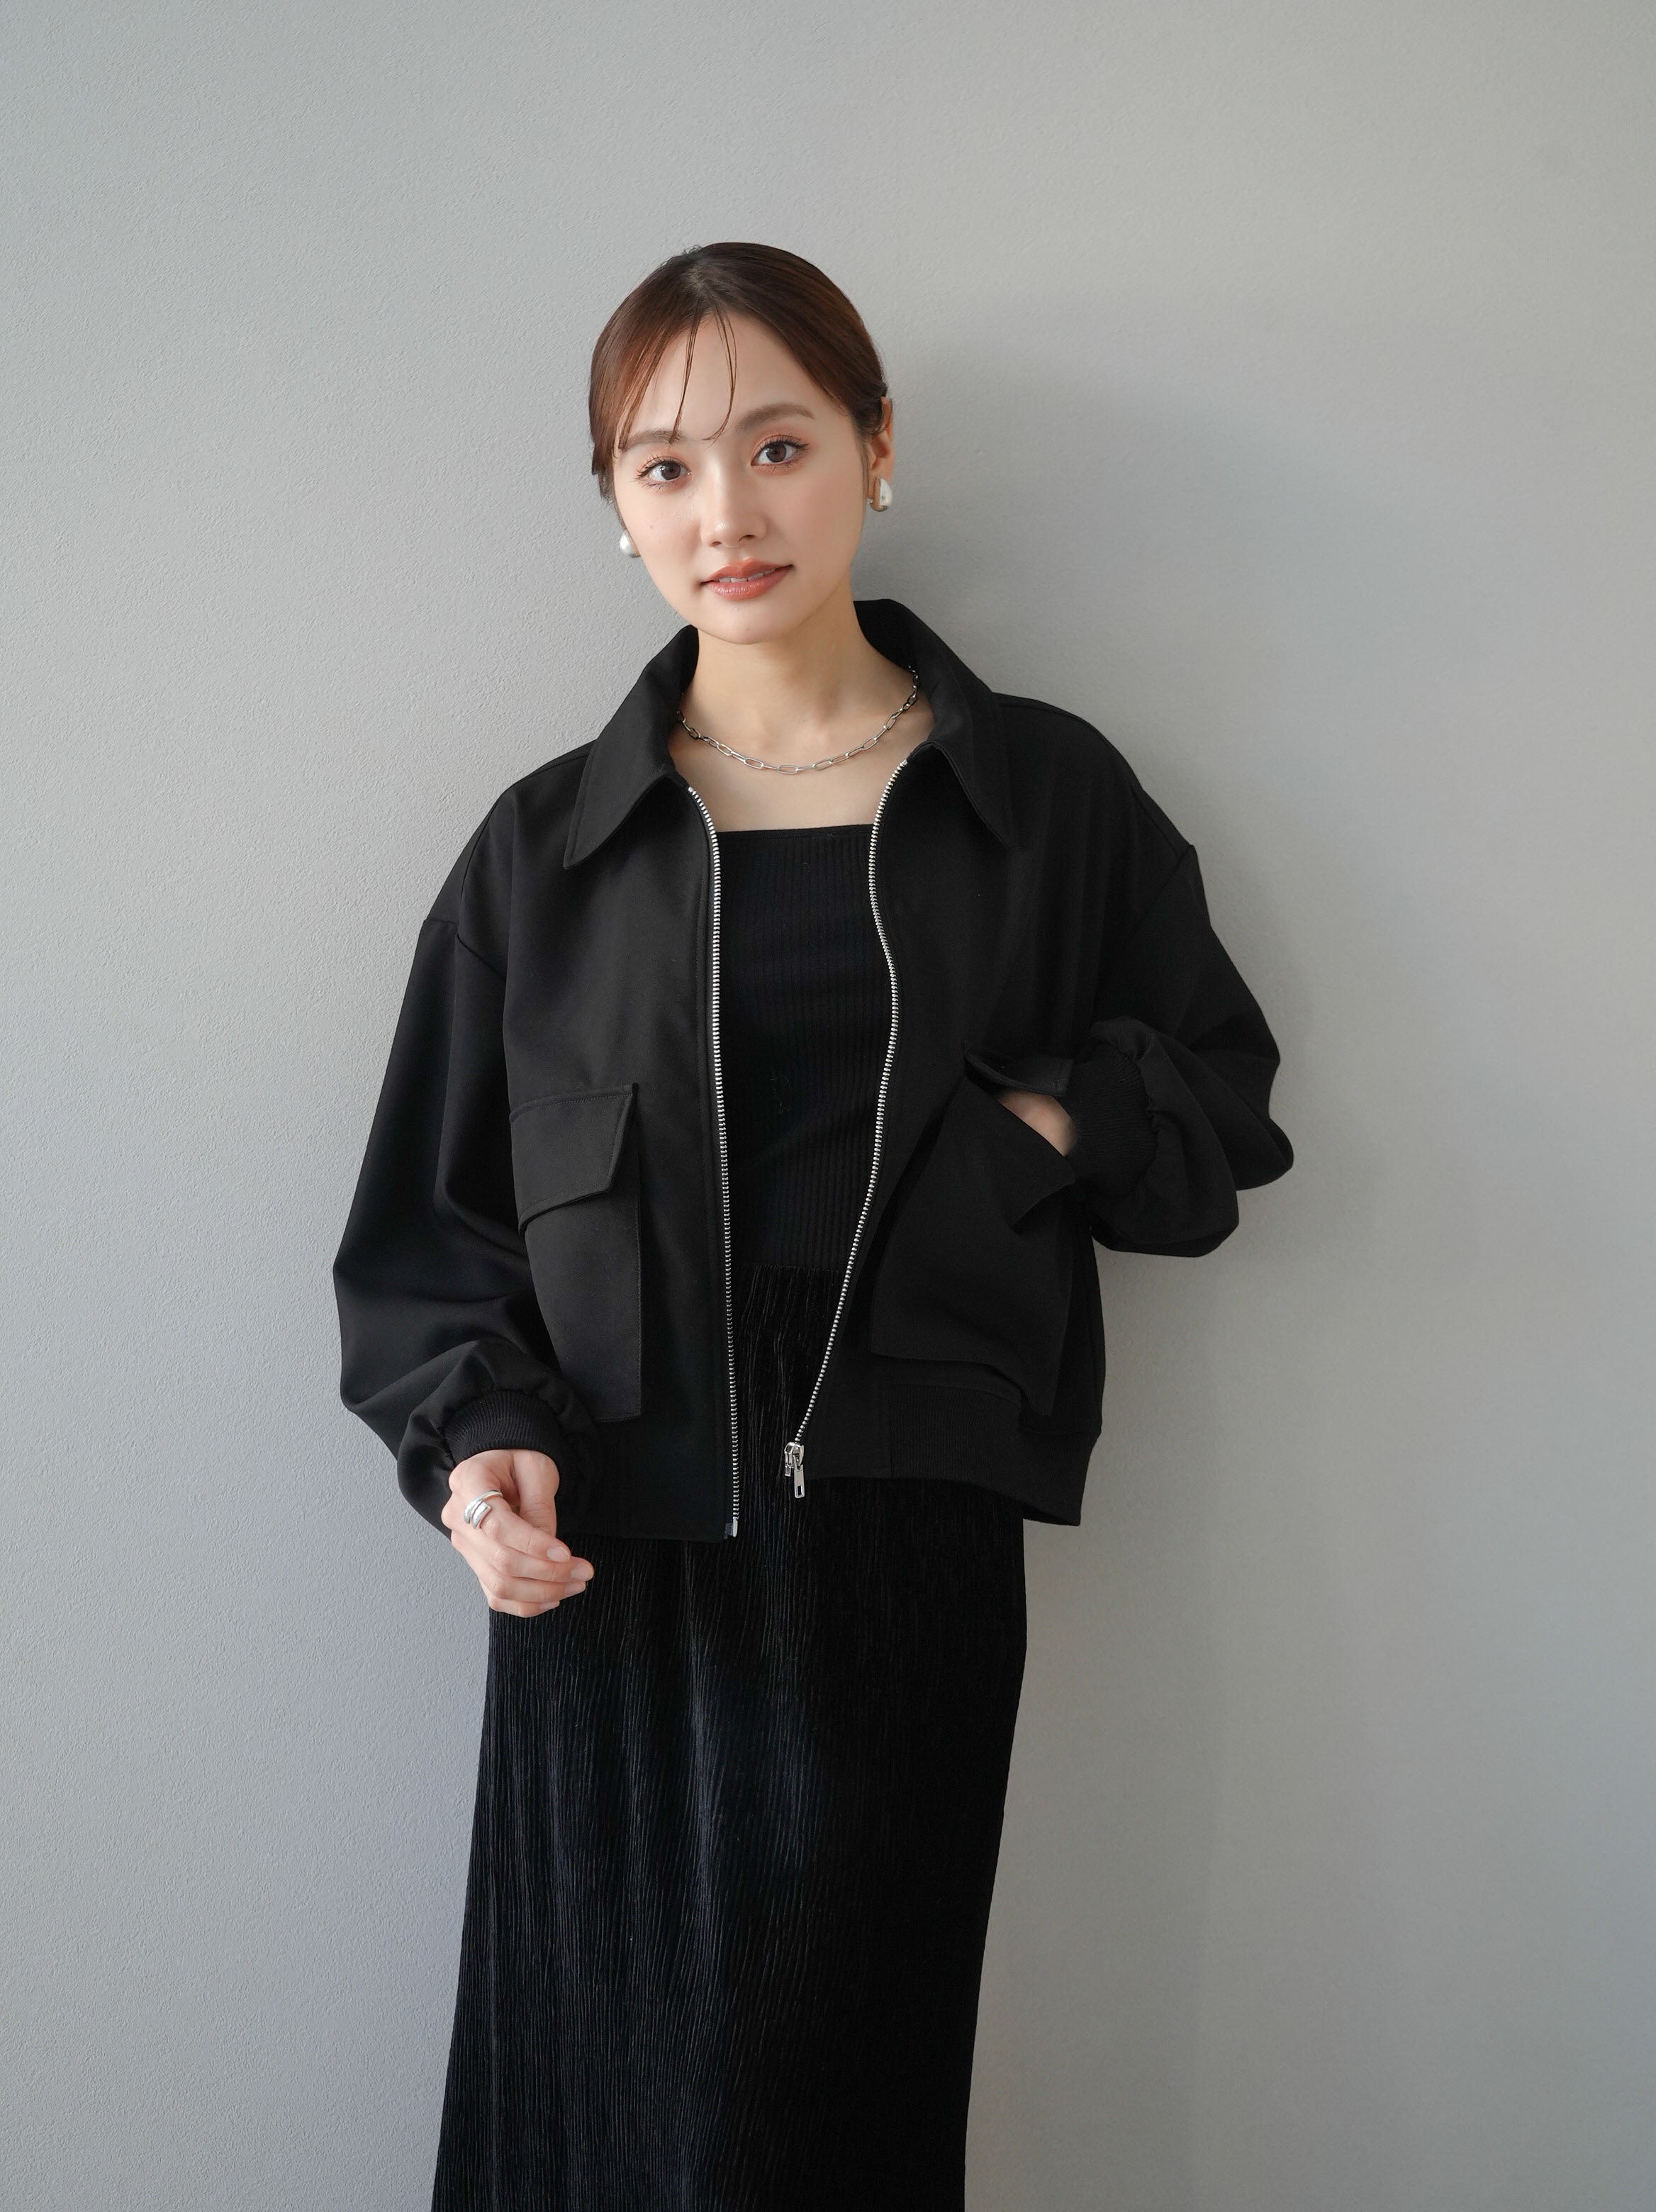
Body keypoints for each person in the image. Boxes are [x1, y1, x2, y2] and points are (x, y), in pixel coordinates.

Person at [332, 240, 1293, 2211]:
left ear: (874, 448)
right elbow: (432, 1227)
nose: (727, 511)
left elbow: (1217, 1105)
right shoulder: (548, 853)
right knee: (599, 2099)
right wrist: (476, 1453)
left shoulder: (1038, 797)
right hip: (611, 1548)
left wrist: (1037, 1125)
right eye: (665, 466)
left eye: (777, 445)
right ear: (616, 507)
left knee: (809, 2114)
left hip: (899, 1544)